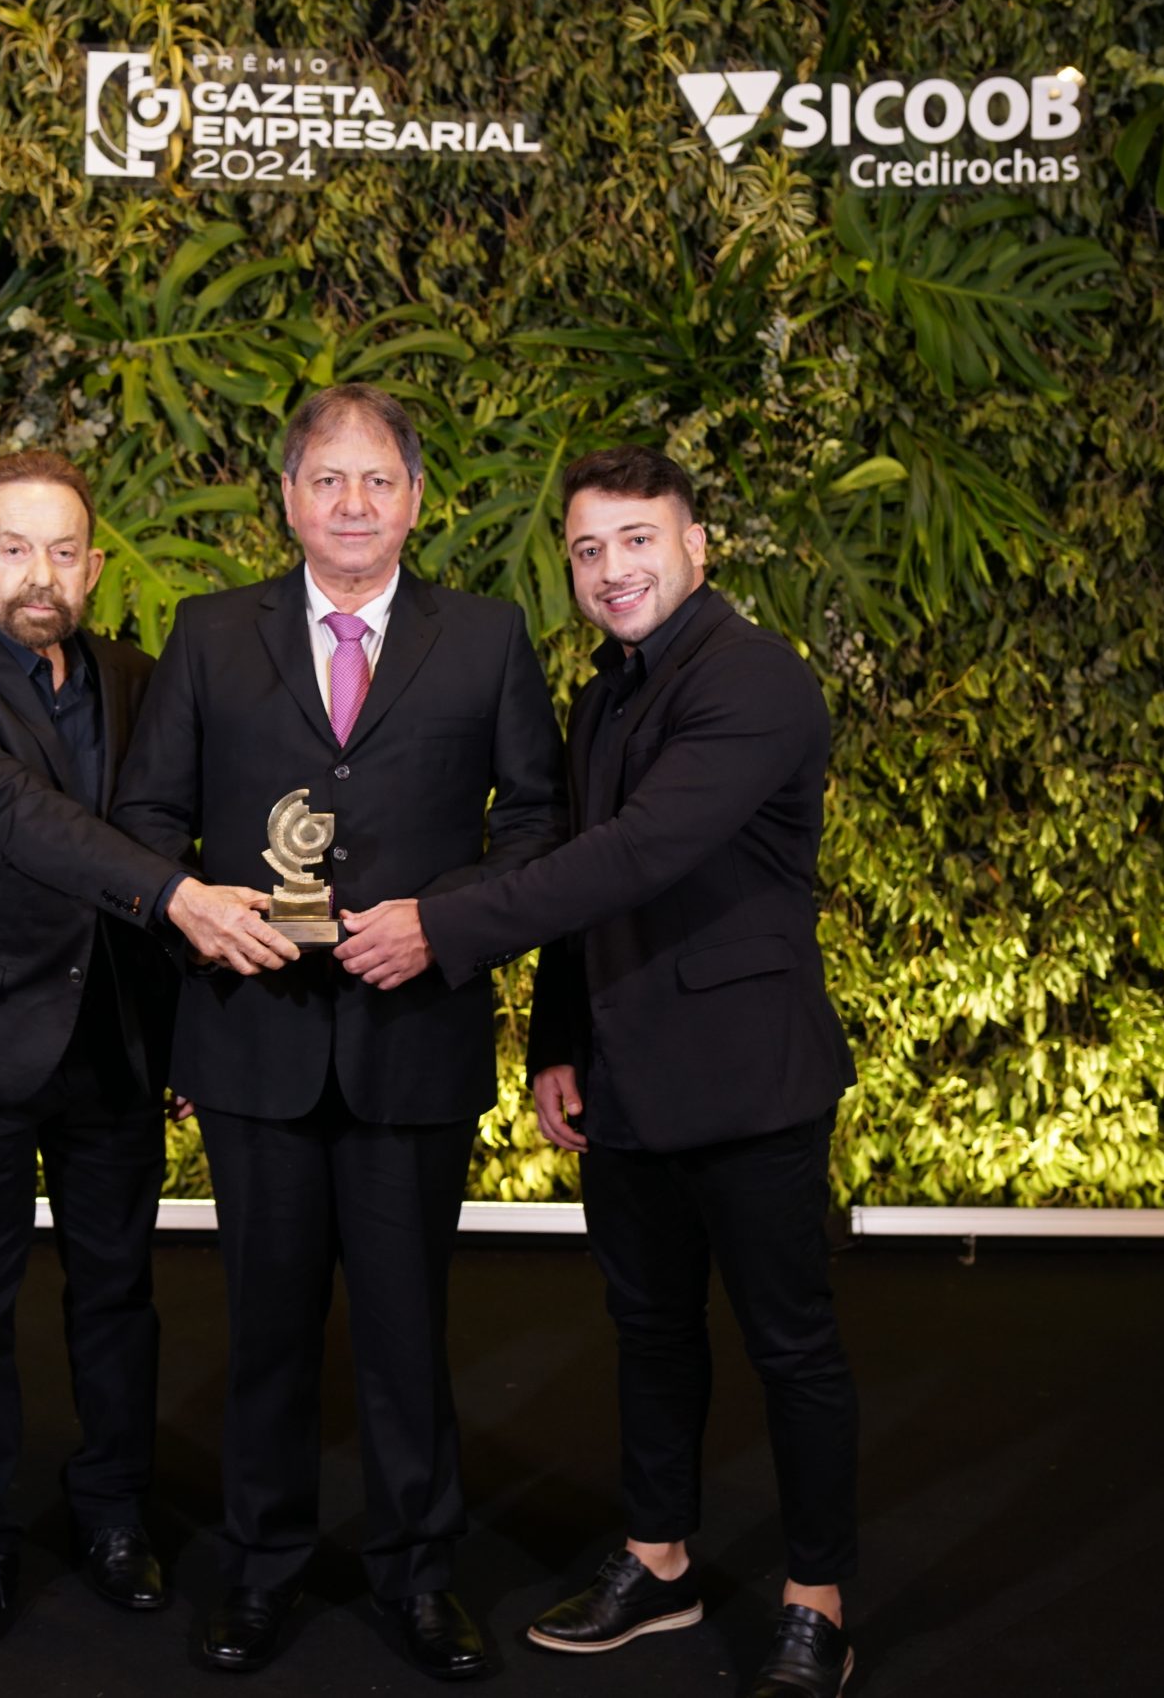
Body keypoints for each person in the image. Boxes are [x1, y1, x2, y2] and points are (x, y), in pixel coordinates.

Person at [336, 445, 861, 1696]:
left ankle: (817, 1603)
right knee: (649, 1330)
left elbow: (634, 855)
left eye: (636, 540)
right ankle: (659, 1560)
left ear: (695, 546)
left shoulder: (754, 678)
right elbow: (586, 883)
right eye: (587, 549)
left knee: (791, 1347)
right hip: (625, 1072)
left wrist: (441, 925)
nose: (611, 568)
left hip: (749, 1074)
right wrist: (557, 1041)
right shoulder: (607, 691)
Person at [111, 384, 566, 1680]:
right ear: (288, 498)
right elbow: (146, 821)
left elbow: (538, 826)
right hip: (250, 1037)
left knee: (409, 1328)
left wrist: (444, 923)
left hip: (412, 1034)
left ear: (416, 498)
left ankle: (419, 1576)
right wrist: (196, 917)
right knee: (262, 1325)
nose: (353, 503)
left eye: (377, 480)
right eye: (327, 479)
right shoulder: (210, 634)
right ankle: (259, 1572)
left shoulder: (486, 638)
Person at [0, 449, 294, 1667]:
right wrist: (177, 898)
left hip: (114, 1035)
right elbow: (18, 819)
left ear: (94, 564)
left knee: (118, 1293)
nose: (39, 575)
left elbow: (196, 818)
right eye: (14, 549)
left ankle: (113, 1513)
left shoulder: (137, 678)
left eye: (62, 551)